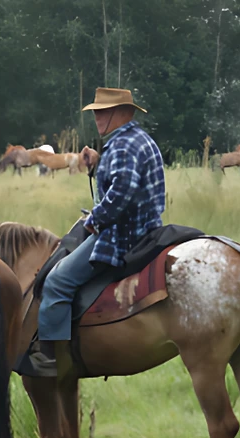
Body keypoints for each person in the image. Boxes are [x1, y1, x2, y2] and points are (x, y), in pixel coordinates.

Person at [34, 87, 165, 374]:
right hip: (146, 228)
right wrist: (98, 164)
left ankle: (51, 356)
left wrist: (95, 219)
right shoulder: (137, 140)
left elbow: (121, 193)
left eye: (103, 112)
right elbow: (126, 180)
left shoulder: (122, 146)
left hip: (123, 235)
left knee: (57, 280)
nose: (97, 117)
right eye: (96, 112)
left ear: (123, 113)